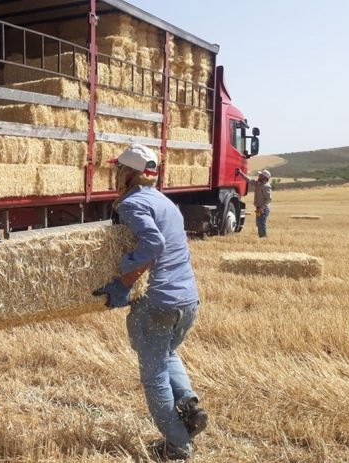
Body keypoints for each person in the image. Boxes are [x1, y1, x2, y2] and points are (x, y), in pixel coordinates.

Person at [93, 144, 208, 460]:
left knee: (154, 375)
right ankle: (190, 405)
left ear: (127, 174)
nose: (116, 176)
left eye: (118, 170)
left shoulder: (131, 204)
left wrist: (124, 281)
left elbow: (153, 243)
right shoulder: (165, 202)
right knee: (167, 353)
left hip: (158, 303)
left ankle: (178, 446)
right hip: (188, 301)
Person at [237, 168, 272, 238]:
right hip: (259, 208)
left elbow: (268, 199)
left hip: (263, 209)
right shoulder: (258, 183)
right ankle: (262, 237)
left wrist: (261, 208)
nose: (258, 176)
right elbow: (249, 180)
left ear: (264, 177)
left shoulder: (266, 186)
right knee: (259, 223)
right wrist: (241, 173)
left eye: (260, 175)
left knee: (261, 223)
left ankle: (263, 238)